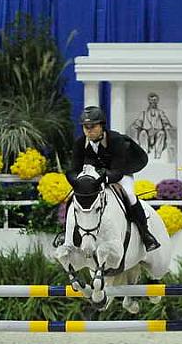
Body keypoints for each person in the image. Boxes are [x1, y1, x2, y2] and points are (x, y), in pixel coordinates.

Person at [65, 105, 161, 252]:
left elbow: (117, 171)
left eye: (93, 126)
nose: (89, 130)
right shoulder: (80, 143)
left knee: (129, 195)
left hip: (119, 174)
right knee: (72, 197)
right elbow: (73, 169)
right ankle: (67, 235)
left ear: (102, 126)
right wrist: (77, 182)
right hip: (93, 178)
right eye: (86, 127)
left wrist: (102, 179)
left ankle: (145, 234)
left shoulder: (116, 140)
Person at [130, 92, 173, 159]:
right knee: (142, 133)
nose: (153, 102)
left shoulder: (160, 112)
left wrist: (168, 127)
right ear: (149, 101)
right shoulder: (144, 113)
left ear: (157, 101)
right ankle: (144, 153)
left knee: (162, 133)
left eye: (155, 100)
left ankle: (158, 154)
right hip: (147, 132)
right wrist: (134, 127)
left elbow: (165, 121)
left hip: (157, 132)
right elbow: (138, 121)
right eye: (152, 100)